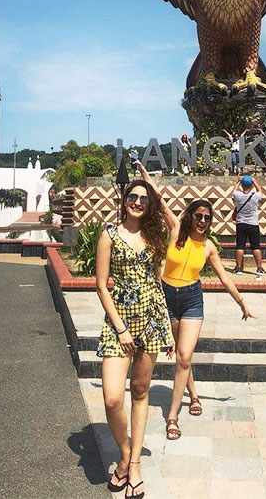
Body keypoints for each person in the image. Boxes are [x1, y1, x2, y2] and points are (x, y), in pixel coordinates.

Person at [136, 160, 256, 440]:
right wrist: (143, 173)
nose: (202, 221)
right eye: (199, 216)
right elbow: (159, 199)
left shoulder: (209, 247)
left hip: (191, 300)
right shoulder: (175, 229)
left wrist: (241, 302)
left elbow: (224, 277)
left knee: (184, 357)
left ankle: (172, 416)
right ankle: (194, 394)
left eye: (207, 218)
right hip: (167, 298)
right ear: (191, 216)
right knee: (181, 357)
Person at [95, 179, 174, 497]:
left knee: (140, 391)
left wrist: (166, 328)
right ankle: (126, 453)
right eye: (133, 196)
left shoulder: (156, 236)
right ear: (124, 200)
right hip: (119, 325)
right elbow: (102, 285)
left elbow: (157, 283)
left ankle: (134, 465)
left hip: (152, 321)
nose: (138, 202)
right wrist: (121, 328)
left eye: (144, 198)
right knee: (113, 398)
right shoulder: (109, 234)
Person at [233, 175, 266, 278]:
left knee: (240, 246)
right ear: (251, 186)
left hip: (241, 223)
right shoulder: (255, 196)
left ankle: (239, 268)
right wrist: (254, 181)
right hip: (253, 224)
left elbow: (234, 190)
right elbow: (260, 190)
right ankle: (259, 268)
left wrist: (238, 182)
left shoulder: (237, 195)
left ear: (242, 185)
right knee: (256, 247)